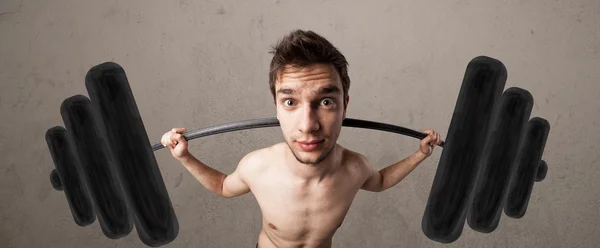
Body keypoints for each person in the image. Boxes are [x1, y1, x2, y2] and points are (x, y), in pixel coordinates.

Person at [160, 29, 443, 248]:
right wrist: (184, 156)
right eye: (290, 102)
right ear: (276, 108)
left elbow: (380, 181)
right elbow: (223, 185)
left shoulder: (355, 168)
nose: (308, 126)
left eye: (326, 102)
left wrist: (420, 154)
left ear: (345, 105)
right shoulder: (258, 166)